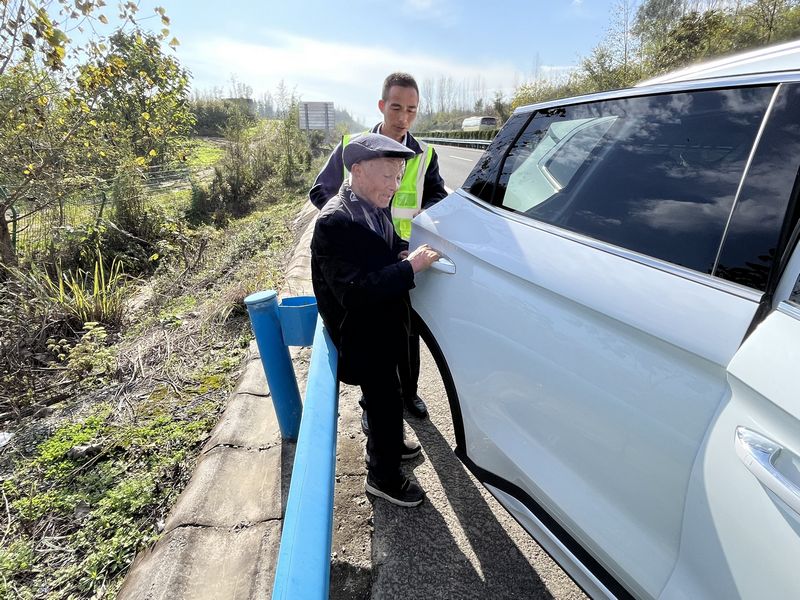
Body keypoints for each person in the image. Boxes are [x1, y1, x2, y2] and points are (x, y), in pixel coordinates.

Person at [309, 72, 447, 428]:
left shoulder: (424, 153)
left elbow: (435, 196)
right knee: (370, 332)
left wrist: (419, 225)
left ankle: (408, 392)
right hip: (363, 256)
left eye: (412, 110)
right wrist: (356, 224)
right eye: (397, 107)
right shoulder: (353, 145)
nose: (403, 117)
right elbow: (321, 192)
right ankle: (375, 403)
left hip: (403, 252)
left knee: (405, 327)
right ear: (382, 105)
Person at [311, 132, 440, 507]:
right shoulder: (336, 221)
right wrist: (411, 268)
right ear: (356, 170)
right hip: (362, 334)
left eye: (399, 175)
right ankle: (383, 477)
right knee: (383, 401)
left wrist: (400, 252)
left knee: (393, 394)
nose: (395, 185)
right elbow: (353, 292)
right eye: (387, 175)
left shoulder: (369, 203)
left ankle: (391, 445)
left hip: (380, 324)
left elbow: (378, 253)